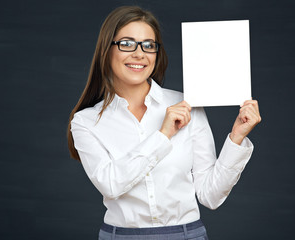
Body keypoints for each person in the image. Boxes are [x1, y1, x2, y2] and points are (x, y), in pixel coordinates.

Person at [67, 5, 261, 240]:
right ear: (106, 50)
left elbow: (210, 196)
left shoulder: (188, 105)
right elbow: (111, 184)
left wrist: (237, 137)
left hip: (187, 234)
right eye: (127, 43)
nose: (139, 54)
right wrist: (163, 135)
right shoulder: (86, 122)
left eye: (149, 45)